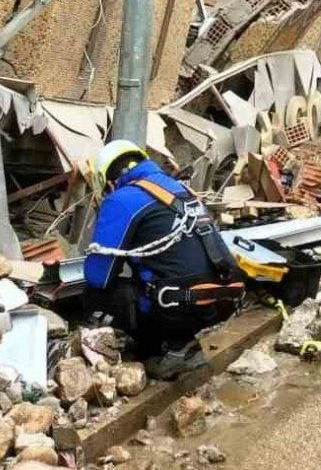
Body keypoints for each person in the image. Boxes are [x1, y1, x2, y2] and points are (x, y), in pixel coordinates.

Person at [82, 140, 243, 361]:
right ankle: (181, 342)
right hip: (224, 298)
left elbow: (99, 276)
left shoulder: (122, 199)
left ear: (109, 182)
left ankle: (158, 350)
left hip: (180, 306)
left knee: (94, 294)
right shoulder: (179, 188)